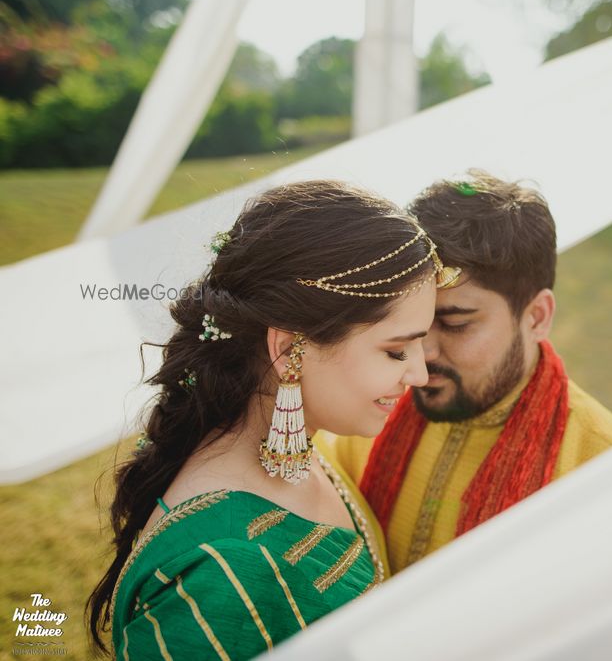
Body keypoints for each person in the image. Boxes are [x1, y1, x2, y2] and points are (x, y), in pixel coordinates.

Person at [86, 180, 460, 659]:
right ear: (288, 349)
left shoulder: (297, 450)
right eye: (395, 351)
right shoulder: (219, 573)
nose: (420, 373)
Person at [322, 170, 612, 572]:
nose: (421, 355)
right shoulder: (366, 419)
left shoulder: (608, 470)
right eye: (412, 327)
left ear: (537, 316)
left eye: (455, 323)